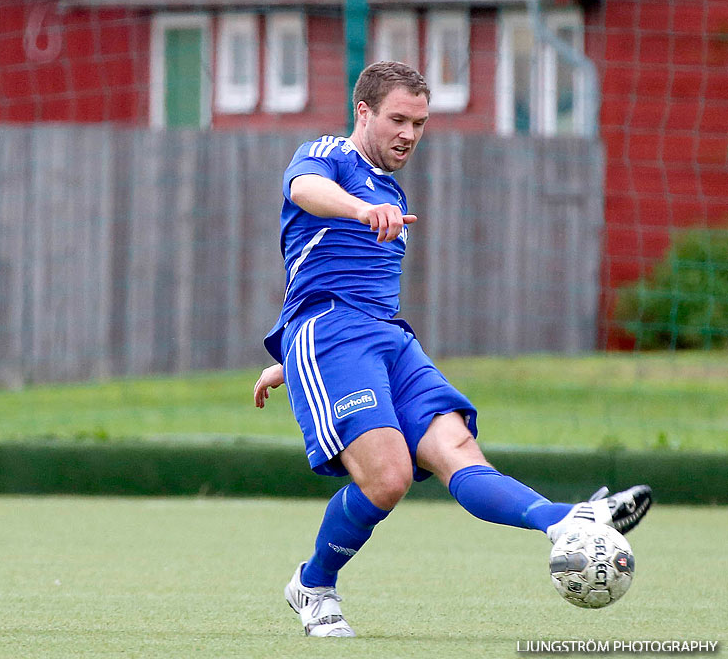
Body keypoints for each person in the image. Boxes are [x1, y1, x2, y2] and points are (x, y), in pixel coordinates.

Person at [252, 61, 651, 638]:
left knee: (455, 450)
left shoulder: (392, 189)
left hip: (388, 339)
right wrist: (361, 211)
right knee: (387, 478)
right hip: (330, 334)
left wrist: (290, 365)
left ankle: (566, 520)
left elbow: (356, 285)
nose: (409, 134)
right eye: (397, 119)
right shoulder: (329, 157)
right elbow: (303, 191)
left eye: (419, 122)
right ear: (363, 111)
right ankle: (313, 586)